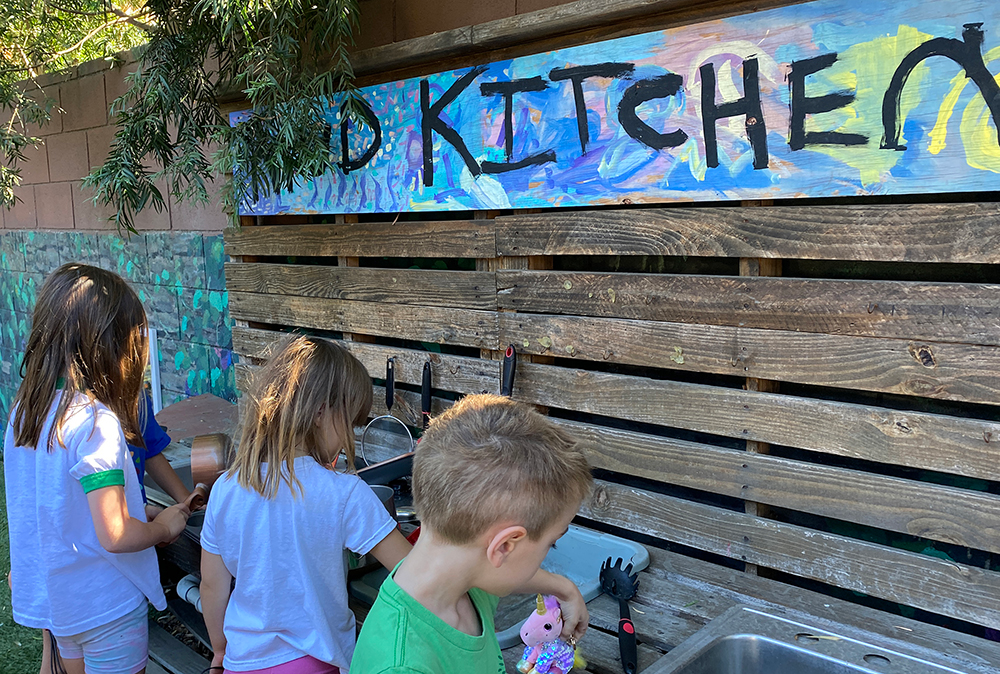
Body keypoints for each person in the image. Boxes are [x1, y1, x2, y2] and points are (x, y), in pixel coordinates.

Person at [4, 263, 193, 674]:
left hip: (62, 605)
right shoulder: (95, 421)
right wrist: (163, 527)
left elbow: (54, 509)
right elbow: (116, 535)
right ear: (109, 346)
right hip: (105, 605)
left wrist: (138, 511)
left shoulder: (24, 413)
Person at [199, 335, 412, 674]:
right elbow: (412, 572)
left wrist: (220, 651)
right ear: (320, 412)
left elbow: (212, 586)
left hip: (243, 662)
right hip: (315, 664)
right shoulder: (344, 493)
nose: (349, 437)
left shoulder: (226, 488)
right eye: (350, 423)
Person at [351, 393, 594, 674]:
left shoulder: (462, 575)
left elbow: (506, 572)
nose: (547, 553)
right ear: (504, 547)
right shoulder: (402, 666)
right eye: (551, 544)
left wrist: (563, 588)